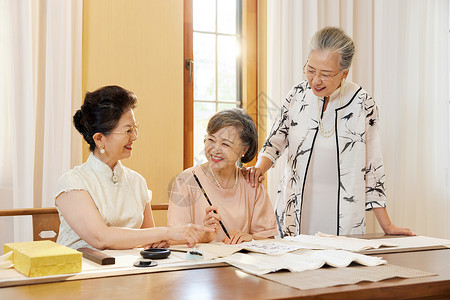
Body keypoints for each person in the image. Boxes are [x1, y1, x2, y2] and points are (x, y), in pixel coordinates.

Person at [243, 27, 415, 237]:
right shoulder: (297, 95)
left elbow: (372, 166)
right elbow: (275, 141)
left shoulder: (362, 103)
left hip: (343, 215)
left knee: (341, 267)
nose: (315, 80)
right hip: (296, 211)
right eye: (310, 69)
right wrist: (260, 168)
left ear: (344, 73)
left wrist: (386, 225)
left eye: (325, 74)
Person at [55, 85, 212, 250]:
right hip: (83, 272)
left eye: (135, 128)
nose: (134, 137)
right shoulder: (72, 182)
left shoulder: (137, 182)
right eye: (128, 131)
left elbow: (151, 238)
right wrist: (167, 232)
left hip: (130, 270)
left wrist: (201, 233)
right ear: (100, 138)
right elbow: (100, 238)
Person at [168, 108, 277, 244]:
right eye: (211, 140)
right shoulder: (186, 181)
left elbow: (269, 240)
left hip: (241, 264)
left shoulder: (252, 183)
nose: (215, 149)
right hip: (200, 263)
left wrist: (251, 239)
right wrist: (204, 236)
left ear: (244, 149)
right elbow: (173, 240)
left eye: (225, 144)